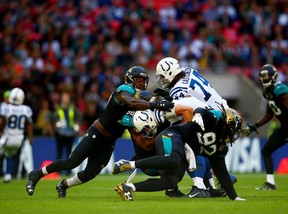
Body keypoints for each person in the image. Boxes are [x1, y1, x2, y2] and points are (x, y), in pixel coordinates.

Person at [25, 66, 174, 198]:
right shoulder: (124, 90)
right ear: (130, 79)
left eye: (144, 80)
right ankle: (36, 174)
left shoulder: (140, 103)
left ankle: (63, 185)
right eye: (138, 80)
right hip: (97, 132)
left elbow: (136, 130)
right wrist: (154, 104)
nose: (142, 83)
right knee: (72, 162)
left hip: (109, 141)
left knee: (90, 173)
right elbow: (130, 102)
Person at [112, 107, 245, 201]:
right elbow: (202, 110)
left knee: (169, 182)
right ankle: (128, 164)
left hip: (184, 149)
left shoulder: (221, 147)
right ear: (227, 125)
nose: (235, 134)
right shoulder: (216, 119)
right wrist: (198, 115)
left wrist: (234, 197)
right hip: (174, 135)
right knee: (172, 159)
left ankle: (128, 187)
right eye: (234, 130)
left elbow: (222, 172)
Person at [153, 56, 231, 197]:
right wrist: (170, 97)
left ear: (171, 74)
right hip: (224, 113)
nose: (162, 81)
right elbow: (192, 95)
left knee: (189, 139)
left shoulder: (178, 90)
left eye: (163, 77)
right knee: (203, 146)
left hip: (213, 118)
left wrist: (167, 101)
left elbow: (186, 107)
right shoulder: (188, 70)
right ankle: (213, 186)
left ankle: (199, 185)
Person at [241, 64, 288, 190]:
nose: (264, 78)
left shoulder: (281, 89)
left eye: (267, 76)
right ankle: (270, 183)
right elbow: (269, 113)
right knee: (266, 150)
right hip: (284, 128)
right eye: (262, 76)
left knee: (266, 150)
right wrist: (254, 126)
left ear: (274, 77)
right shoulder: (267, 92)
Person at [0, 87, 33, 183]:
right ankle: (8, 176)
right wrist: (31, 137)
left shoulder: (5, 107)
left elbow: (3, 122)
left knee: (5, 153)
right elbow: (29, 124)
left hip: (7, 137)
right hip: (19, 139)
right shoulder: (26, 109)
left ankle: (7, 175)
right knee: (8, 154)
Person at [53, 92, 80, 171]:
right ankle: (58, 171)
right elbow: (53, 119)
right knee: (59, 153)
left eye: (67, 98)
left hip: (70, 134)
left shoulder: (72, 108)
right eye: (64, 98)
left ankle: (68, 171)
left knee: (69, 154)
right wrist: (56, 128)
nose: (65, 99)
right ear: (61, 99)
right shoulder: (57, 108)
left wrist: (77, 126)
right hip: (60, 134)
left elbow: (77, 118)